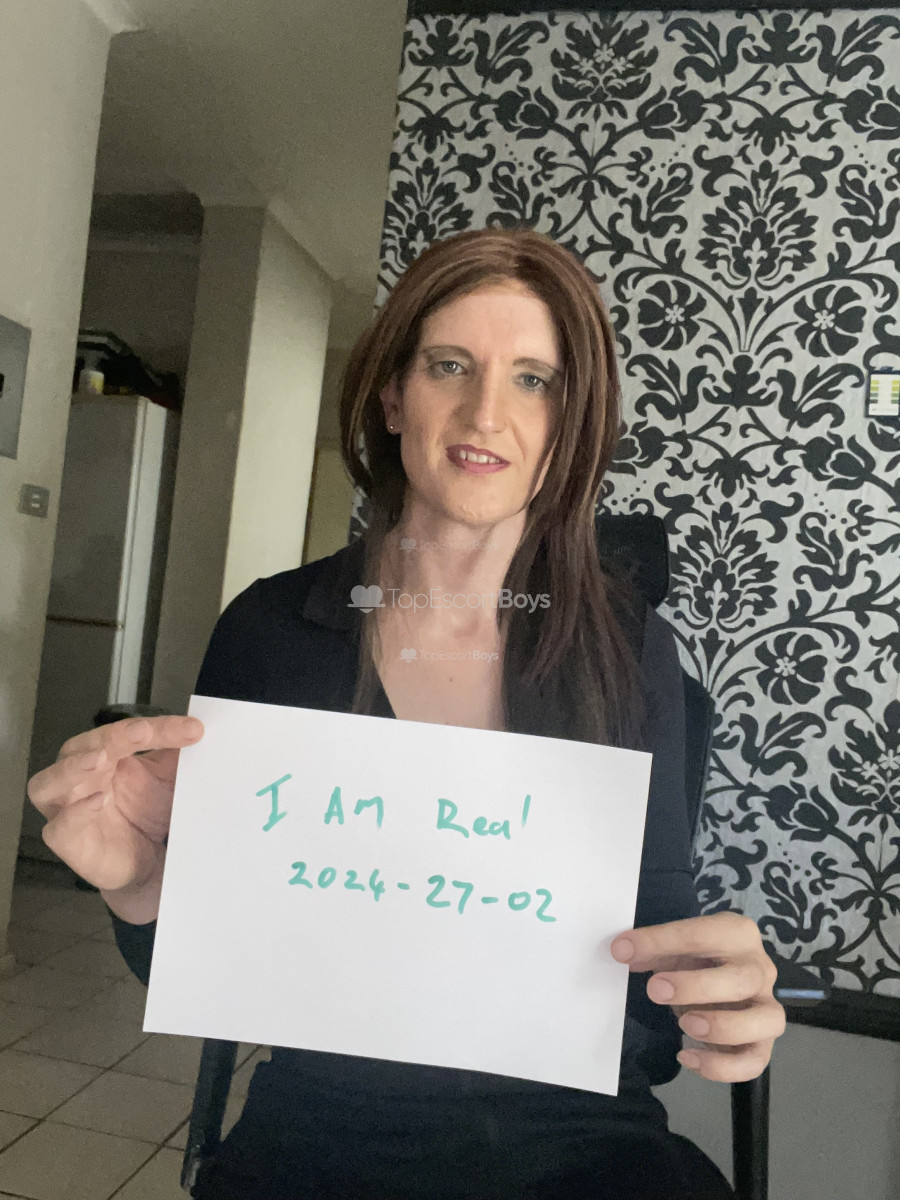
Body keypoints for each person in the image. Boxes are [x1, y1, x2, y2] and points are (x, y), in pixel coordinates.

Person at [27, 228, 785, 1200]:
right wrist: (141, 883)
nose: (485, 412)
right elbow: (214, 970)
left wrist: (720, 1002)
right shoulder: (271, 632)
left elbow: (650, 998)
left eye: (534, 381)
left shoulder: (630, 652)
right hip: (323, 1123)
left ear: (570, 423)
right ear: (393, 395)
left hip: (580, 1139)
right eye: (449, 366)